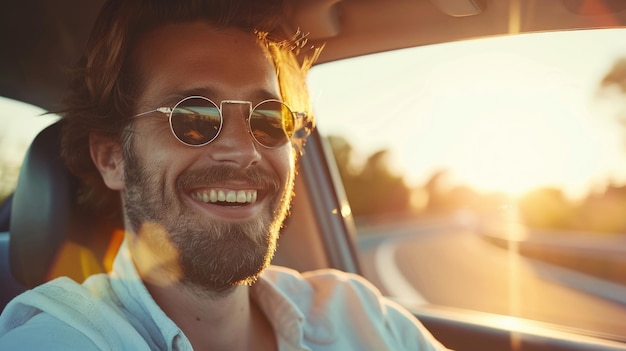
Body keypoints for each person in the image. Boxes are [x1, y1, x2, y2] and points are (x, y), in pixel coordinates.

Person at [0, 1, 448, 350]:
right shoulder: (62, 339)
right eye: (193, 116)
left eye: (270, 119)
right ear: (112, 157)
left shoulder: (356, 314)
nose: (243, 150)